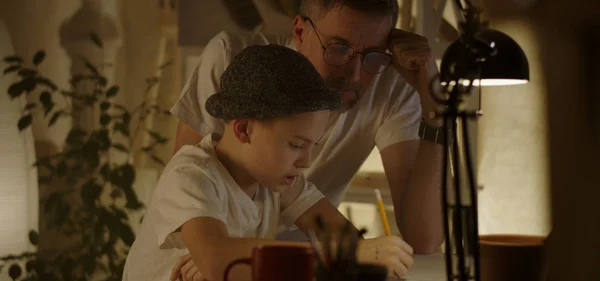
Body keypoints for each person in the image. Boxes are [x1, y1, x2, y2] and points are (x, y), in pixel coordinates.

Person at [170, 1, 445, 278]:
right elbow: (198, 229)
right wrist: (223, 254)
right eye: (339, 49)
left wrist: (436, 112)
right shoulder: (235, 64)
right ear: (300, 32)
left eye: (373, 54)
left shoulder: (288, 181)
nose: (355, 74)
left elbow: (423, 240)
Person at [122, 44, 415, 281]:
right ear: (244, 129)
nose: (306, 161)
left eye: (312, 146)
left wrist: (239, 259)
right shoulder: (191, 175)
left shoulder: (277, 180)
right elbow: (216, 260)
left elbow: (344, 239)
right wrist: (346, 256)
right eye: (296, 145)